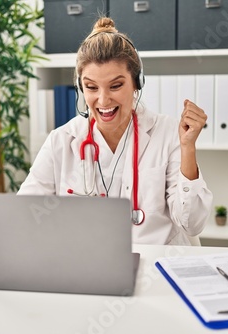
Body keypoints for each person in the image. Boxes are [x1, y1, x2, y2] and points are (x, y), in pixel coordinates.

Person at [18, 17, 213, 245]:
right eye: (91, 87)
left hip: (154, 263)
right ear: (81, 87)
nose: (103, 100)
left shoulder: (168, 132)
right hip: (89, 267)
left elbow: (192, 224)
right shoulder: (61, 141)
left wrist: (188, 147)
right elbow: (25, 215)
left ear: (136, 83)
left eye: (116, 85)